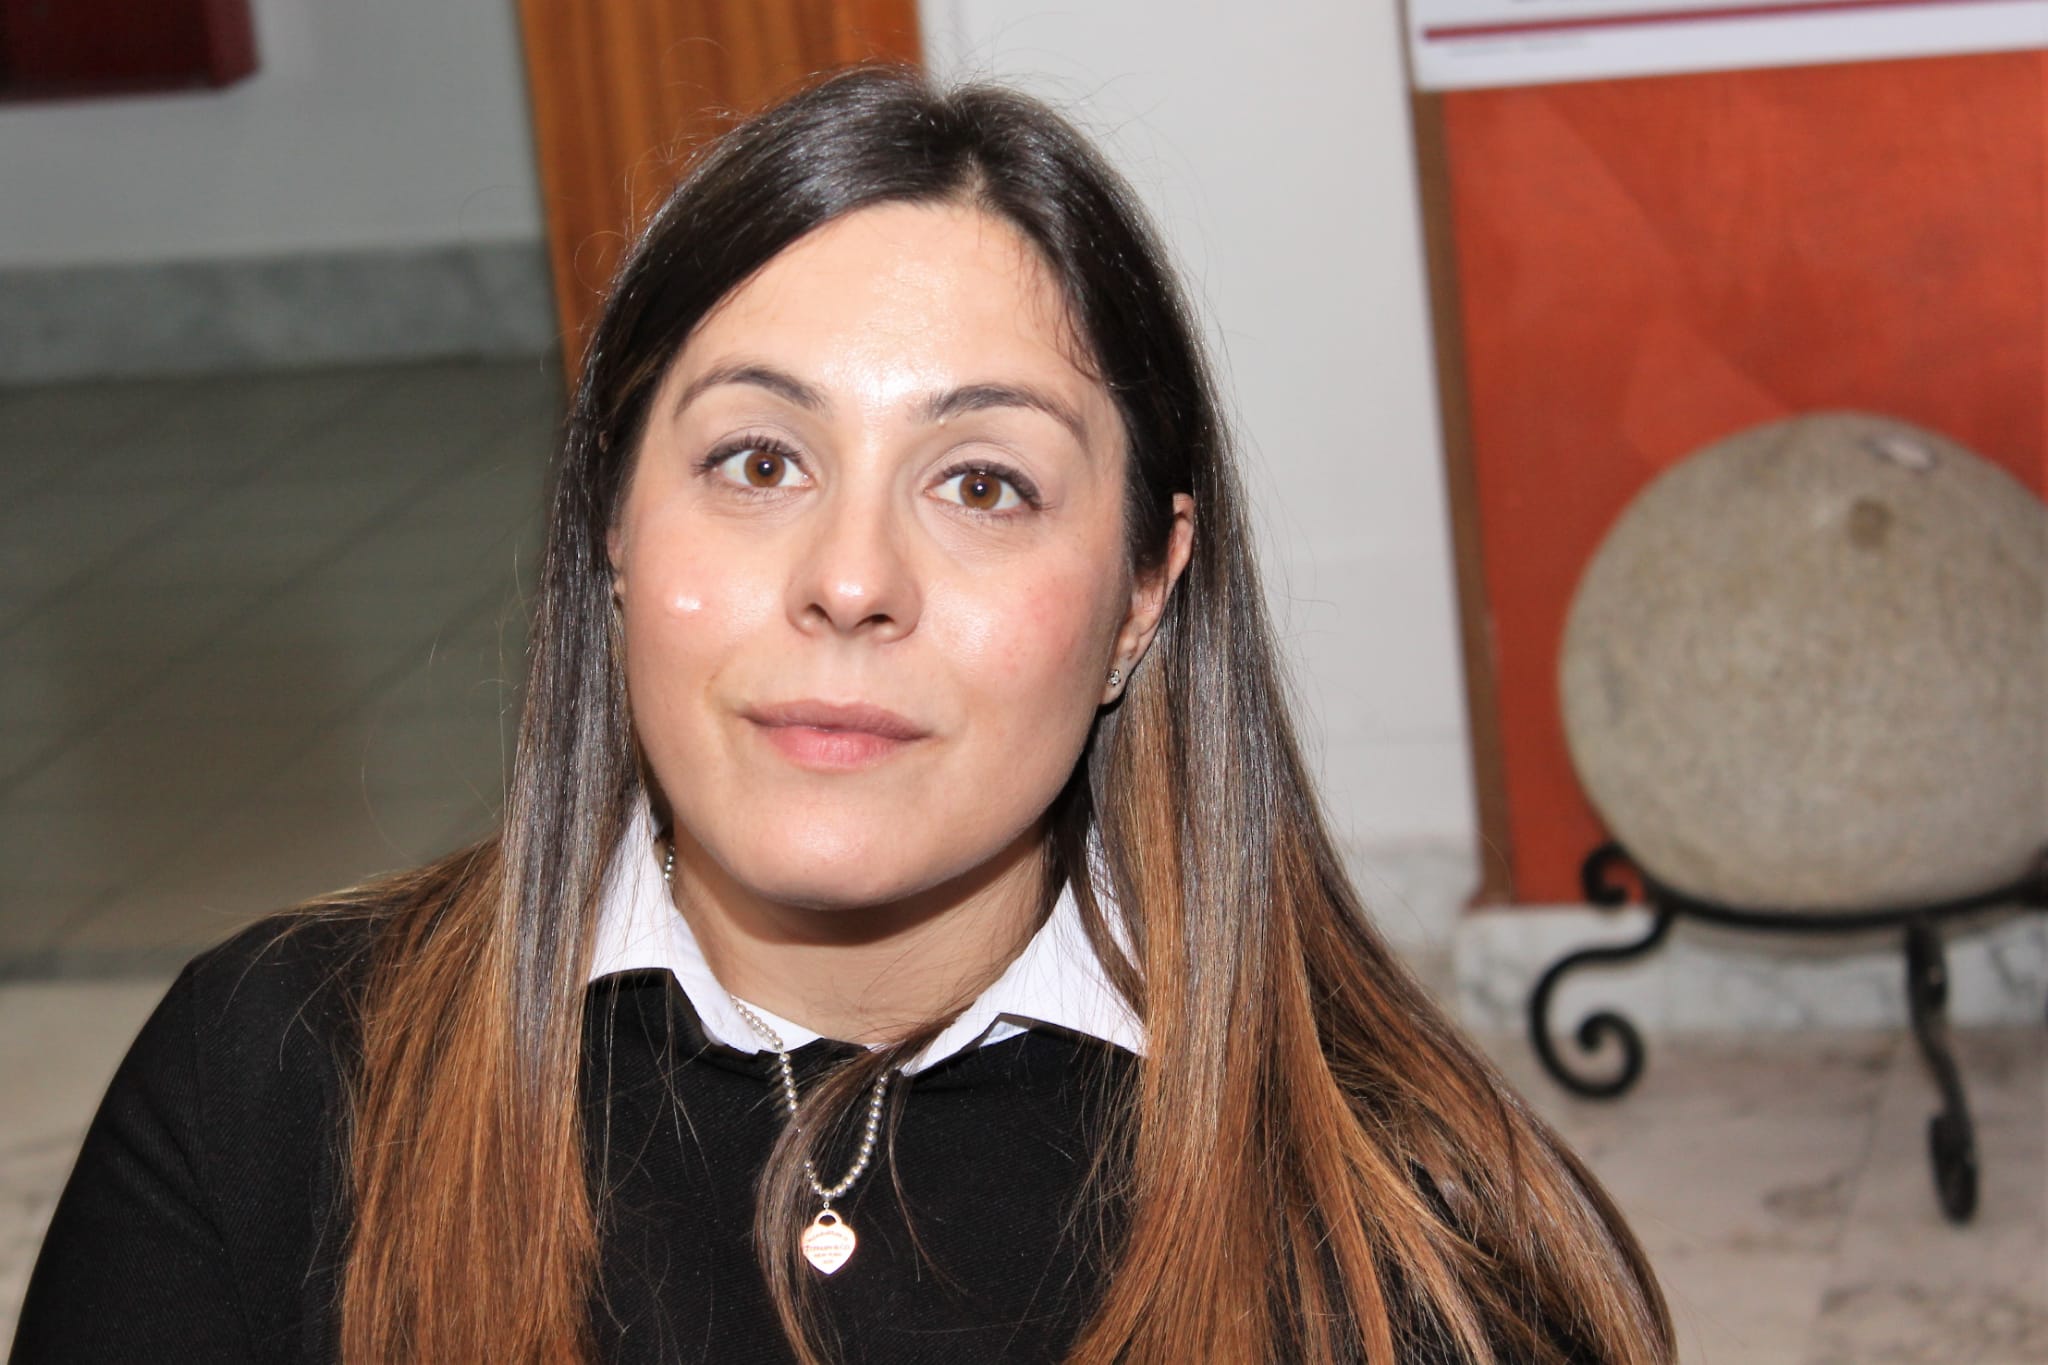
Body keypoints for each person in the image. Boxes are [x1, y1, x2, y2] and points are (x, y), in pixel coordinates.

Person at [13, 65, 1673, 1364]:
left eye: (983, 483)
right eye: (758, 460)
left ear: (1143, 592)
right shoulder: (276, 1084)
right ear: (611, 520)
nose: (852, 579)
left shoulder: (1413, 1248)